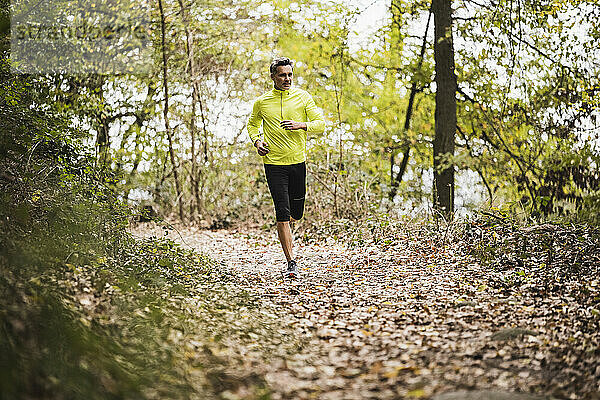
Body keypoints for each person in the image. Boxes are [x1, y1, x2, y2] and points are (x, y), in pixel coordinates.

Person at [247, 57, 325, 279]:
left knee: (295, 213)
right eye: (282, 75)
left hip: (297, 162)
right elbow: (252, 125)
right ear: (273, 77)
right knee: (282, 212)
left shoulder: (302, 97)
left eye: (289, 75)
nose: (287, 79)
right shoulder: (262, 102)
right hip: (274, 164)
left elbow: (321, 125)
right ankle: (291, 262)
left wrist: (301, 125)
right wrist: (257, 141)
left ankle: (288, 226)